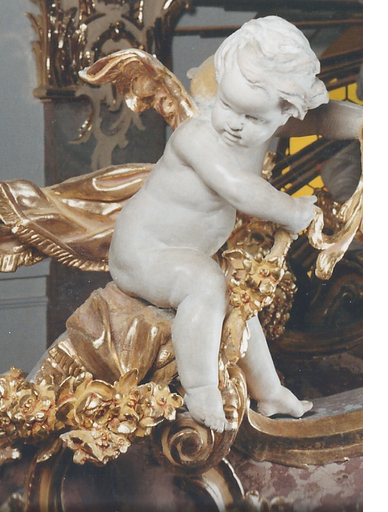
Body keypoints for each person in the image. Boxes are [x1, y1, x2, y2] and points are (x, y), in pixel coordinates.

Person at [108, 16, 362, 431]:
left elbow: (320, 119)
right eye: (226, 105)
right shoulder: (197, 137)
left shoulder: (265, 121)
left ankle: (270, 392)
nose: (233, 122)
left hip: (186, 251)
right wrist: (290, 209)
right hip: (144, 250)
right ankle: (201, 389)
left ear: (285, 113)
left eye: (254, 118)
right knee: (206, 284)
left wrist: (364, 124)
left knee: (239, 302)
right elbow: (240, 189)